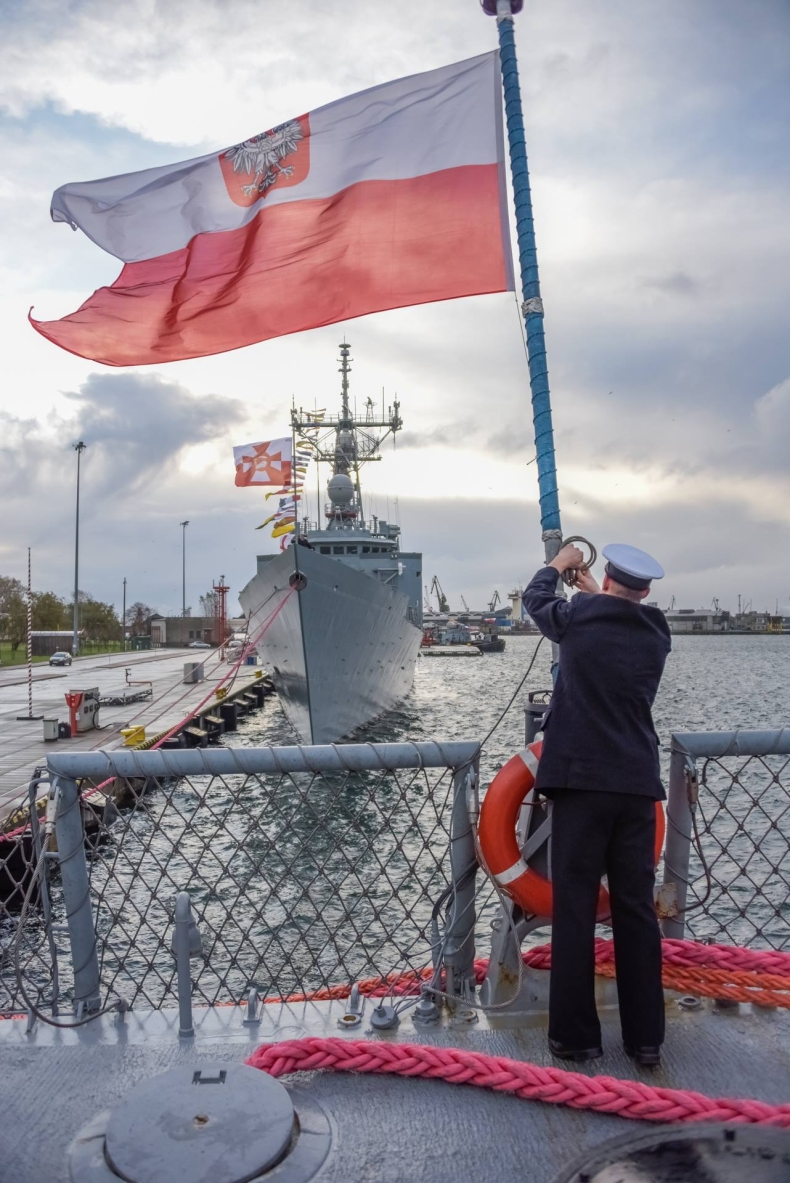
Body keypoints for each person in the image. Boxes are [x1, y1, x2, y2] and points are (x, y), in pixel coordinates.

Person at [522, 542, 671, 1066]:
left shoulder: (577, 618)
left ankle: (576, 1038)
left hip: (582, 786)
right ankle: (646, 1040)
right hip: (635, 787)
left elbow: (535, 599)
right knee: (635, 912)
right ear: (646, 590)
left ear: (605, 579)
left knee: (576, 909)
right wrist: (593, 591)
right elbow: (616, 614)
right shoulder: (657, 632)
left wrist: (560, 563)